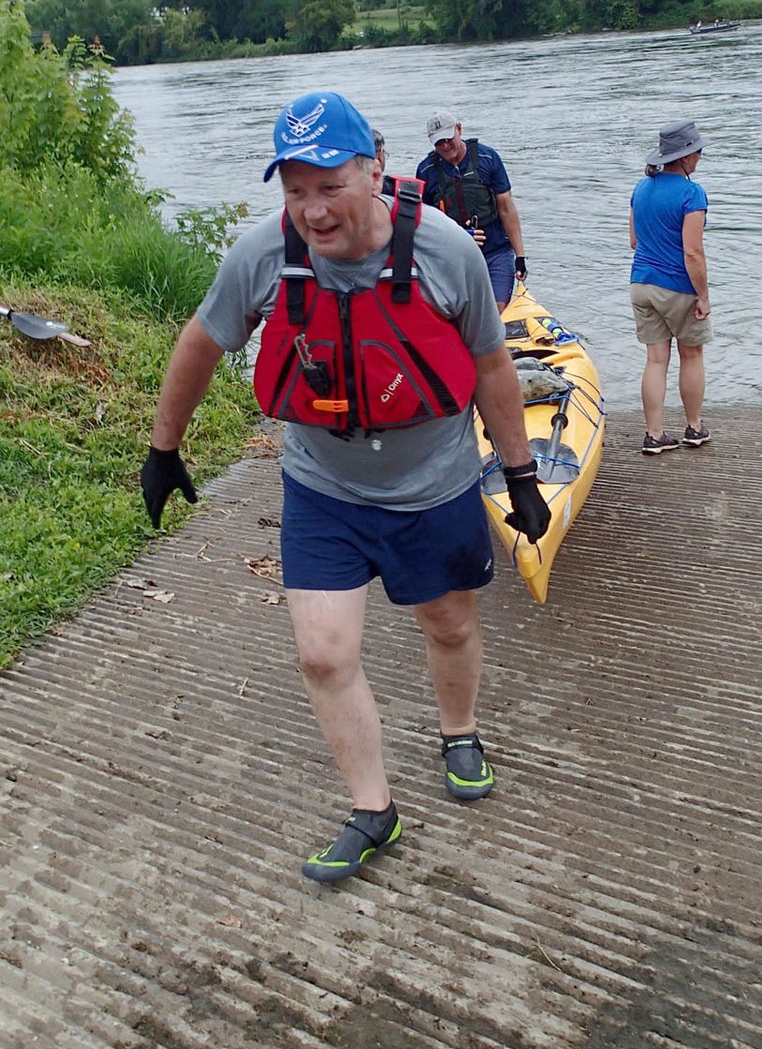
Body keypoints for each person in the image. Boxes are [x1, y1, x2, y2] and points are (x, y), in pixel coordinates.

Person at [140, 90, 551, 885]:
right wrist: (165, 448)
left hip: (432, 484)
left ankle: (458, 729)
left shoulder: (444, 250)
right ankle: (374, 810)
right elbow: (201, 339)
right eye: (294, 189)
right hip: (323, 484)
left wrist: (520, 473)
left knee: (449, 625)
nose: (312, 209)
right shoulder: (265, 252)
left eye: (329, 184)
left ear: (375, 169)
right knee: (323, 656)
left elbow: (494, 367)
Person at [629, 119, 712, 455]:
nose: (700, 158)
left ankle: (654, 434)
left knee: (655, 360)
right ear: (686, 157)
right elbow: (693, 253)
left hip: (641, 284)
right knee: (691, 354)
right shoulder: (692, 194)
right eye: (698, 152)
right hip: (678, 285)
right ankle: (693, 427)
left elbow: (635, 241)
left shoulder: (640, 188)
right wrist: (703, 295)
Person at [416, 110, 527, 312]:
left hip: (496, 251)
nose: (445, 146)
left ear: (459, 129)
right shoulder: (425, 171)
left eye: (448, 139)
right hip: (455, 257)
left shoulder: (488, 158)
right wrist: (458, 236)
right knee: (461, 315)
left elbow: (506, 207)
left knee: (494, 312)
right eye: (439, 142)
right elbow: (425, 224)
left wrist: (520, 256)